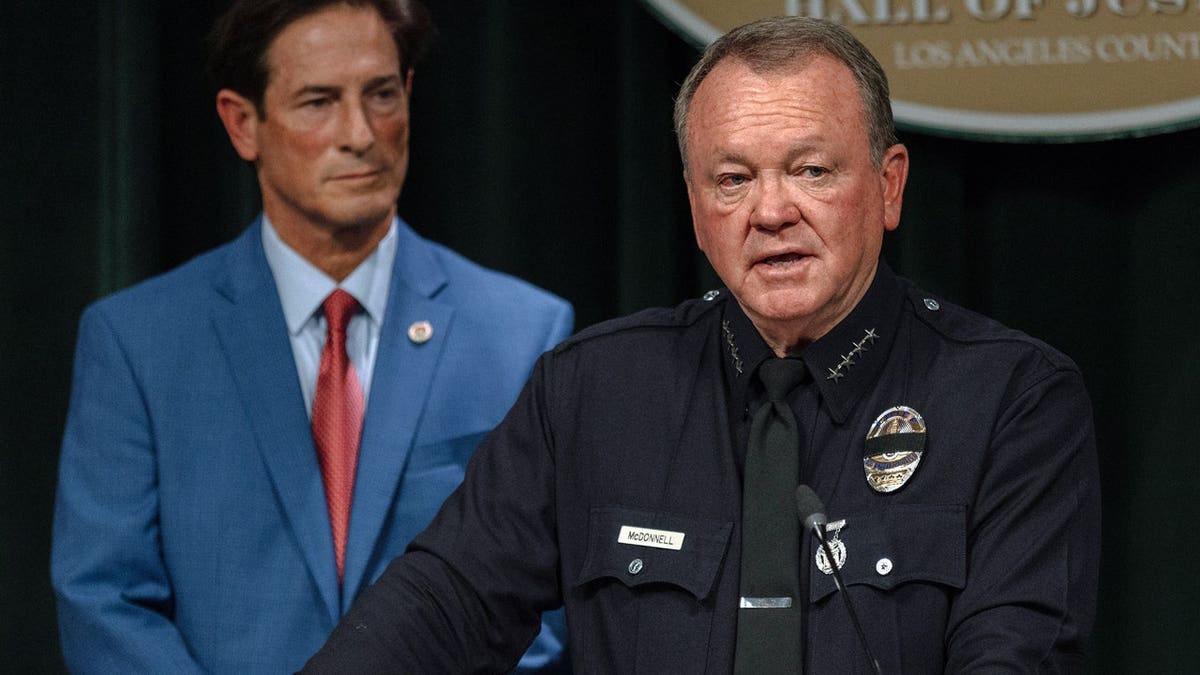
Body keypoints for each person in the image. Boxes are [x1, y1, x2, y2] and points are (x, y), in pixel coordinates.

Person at [302, 15, 1101, 673]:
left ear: (889, 185)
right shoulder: (593, 390)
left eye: (811, 170)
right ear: (694, 207)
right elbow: (441, 606)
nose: (771, 211)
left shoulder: (1010, 400)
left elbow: (1014, 655)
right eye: (732, 179)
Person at [50, 0, 573, 672]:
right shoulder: (137, 343)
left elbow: (541, 611)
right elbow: (105, 601)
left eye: (381, 95)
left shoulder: (521, 333)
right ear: (243, 124)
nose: (360, 133)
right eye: (319, 102)